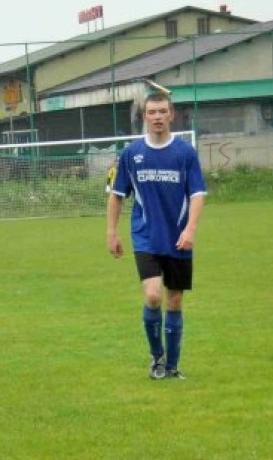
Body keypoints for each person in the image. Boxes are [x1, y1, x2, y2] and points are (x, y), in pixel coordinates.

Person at [107, 91, 206, 380]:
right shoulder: (131, 154)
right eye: (152, 112)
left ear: (171, 115)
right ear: (145, 116)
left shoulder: (185, 153)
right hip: (146, 236)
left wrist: (190, 229)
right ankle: (157, 358)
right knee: (152, 296)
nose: (158, 117)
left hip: (178, 238)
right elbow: (116, 195)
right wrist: (111, 233)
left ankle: (172, 366)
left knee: (174, 300)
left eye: (163, 111)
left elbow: (197, 194)